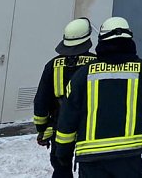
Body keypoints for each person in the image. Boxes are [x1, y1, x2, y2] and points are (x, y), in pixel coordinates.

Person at [54, 17, 142, 177]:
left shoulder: (83, 74)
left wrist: (63, 150)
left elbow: (68, 116)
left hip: (91, 159)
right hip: (129, 156)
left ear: (102, 41)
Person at [33, 18, 97, 178]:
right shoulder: (98, 64)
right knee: (91, 168)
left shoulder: (52, 65)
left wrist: (42, 130)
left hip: (59, 127)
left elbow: (41, 101)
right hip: (91, 127)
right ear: (88, 39)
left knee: (61, 168)